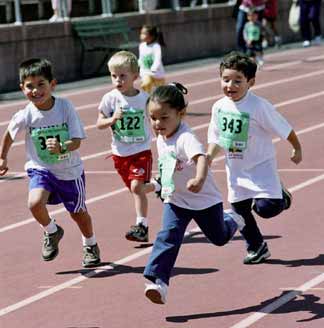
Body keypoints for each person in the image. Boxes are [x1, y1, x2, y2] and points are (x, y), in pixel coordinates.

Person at [143, 83, 245, 304]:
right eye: (153, 118)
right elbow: (167, 168)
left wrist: (198, 179)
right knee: (168, 237)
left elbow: (200, 158)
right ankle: (158, 282)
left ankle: (233, 219)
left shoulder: (185, 137)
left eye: (163, 117)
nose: (158, 124)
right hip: (177, 201)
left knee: (219, 238)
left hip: (204, 201)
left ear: (181, 114)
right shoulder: (161, 138)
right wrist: (154, 185)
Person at [0, 58, 100, 268]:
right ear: (22, 88)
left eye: (40, 84)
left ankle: (90, 244)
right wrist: (3, 156)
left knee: (78, 214)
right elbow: (9, 134)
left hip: (69, 171)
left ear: (52, 84)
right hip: (41, 169)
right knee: (34, 203)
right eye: (29, 86)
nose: (35, 91)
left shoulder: (65, 107)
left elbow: (78, 141)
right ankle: (52, 231)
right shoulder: (25, 114)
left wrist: (63, 146)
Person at [207, 51, 302, 265]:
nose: (230, 85)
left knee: (266, 209)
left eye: (237, 81)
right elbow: (217, 138)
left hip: (261, 167)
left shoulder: (259, 106)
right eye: (225, 79)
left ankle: (281, 195)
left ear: (251, 82)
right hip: (236, 169)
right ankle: (256, 246)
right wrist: (209, 157)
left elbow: (284, 128)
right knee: (240, 212)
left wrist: (297, 148)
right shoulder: (218, 107)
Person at [96, 51, 153, 243]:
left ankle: (142, 226)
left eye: (123, 76)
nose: (118, 80)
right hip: (120, 154)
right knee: (136, 189)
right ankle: (160, 186)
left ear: (135, 77)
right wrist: (112, 119)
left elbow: (155, 118)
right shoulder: (109, 99)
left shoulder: (145, 99)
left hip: (141, 151)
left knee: (137, 188)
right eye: (114, 76)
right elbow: (99, 123)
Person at [138, 25, 166, 94]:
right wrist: (138, 65)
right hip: (146, 73)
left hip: (157, 74)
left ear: (151, 36)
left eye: (144, 34)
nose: (141, 35)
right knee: (146, 84)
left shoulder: (156, 46)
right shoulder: (141, 46)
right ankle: (146, 99)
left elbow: (157, 59)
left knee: (160, 93)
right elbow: (141, 58)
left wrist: (154, 68)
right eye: (141, 33)